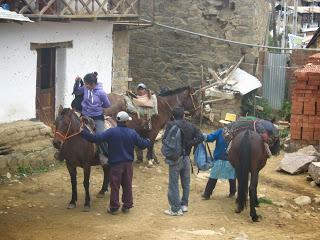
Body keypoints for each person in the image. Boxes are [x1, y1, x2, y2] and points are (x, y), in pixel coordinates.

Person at [81, 111, 151, 214]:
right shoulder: (132, 133)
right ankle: (127, 206)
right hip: (128, 164)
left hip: (115, 165)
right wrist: (148, 141)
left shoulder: (111, 132)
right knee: (127, 185)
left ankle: (114, 208)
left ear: (118, 121)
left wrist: (83, 133)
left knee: (115, 186)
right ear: (126, 121)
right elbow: (142, 144)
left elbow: (97, 138)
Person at [163, 107, 204, 216]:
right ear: (184, 115)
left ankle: (175, 209)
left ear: (173, 115)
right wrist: (189, 144)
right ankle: (184, 205)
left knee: (174, 184)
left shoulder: (171, 125)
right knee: (186, 183)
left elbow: (165, 139)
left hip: (175, 158)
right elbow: (201, 137)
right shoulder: (190, 125)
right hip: (186, 158)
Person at [201, 128, 236, 200]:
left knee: (213, 176)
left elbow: (210, 138)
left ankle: (207, 194)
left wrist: (205, 136)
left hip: (219, 158)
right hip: (231, 159)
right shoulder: (236, 133)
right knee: (231, 176)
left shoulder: (221, 131)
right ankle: (232, 193)